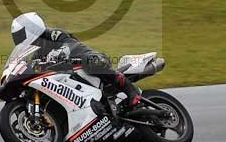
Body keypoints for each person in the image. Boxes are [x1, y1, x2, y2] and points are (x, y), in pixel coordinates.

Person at [10, 12, 142, 109]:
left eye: (20, 35)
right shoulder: (36, 53)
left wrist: (61, 51)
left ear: (32, 28)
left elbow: (70, 43)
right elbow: (35, 69)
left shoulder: (53, 34)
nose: (19, 40)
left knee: (91, 62)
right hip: (70, 79)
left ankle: (130, 89)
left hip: (87, 60)